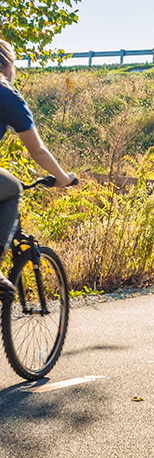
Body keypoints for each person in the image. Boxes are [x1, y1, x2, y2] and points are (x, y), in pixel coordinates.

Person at [0, 39, 77, 302]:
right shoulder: (5, 93)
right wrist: (63, 177)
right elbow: (38, 151)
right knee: (12, 188)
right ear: (8, 65)